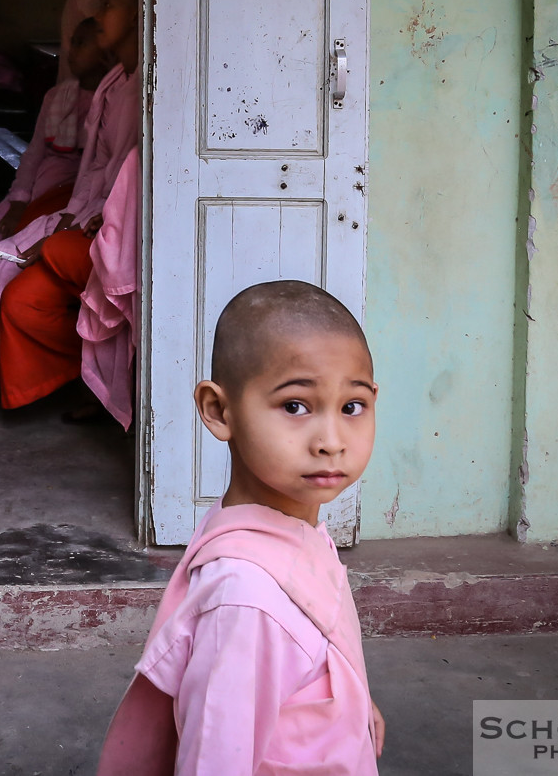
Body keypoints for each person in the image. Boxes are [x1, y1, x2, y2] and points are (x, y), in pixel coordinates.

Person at [95, 281, 387, 775]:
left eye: (351, 406)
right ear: (218, 410)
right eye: (296, 406)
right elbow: (215, 759)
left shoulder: (289, 530)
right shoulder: (245, 597)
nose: (331, 441)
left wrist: (351, 703)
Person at [0, 0, 141, 408]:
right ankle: (77, 377)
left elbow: (129, 179)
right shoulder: (111, 84)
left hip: (119, 225)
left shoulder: (148, 87)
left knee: (44, 257)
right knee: (10, 284)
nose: (97, 15)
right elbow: (93, 168)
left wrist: (87, 223)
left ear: (137, 16)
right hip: (85, 209)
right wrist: (71, 214)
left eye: (109, 5)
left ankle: (106, 386)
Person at [0, 18, 113, 283]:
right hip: (34, 189)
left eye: (81, 44)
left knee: (11, 259)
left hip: (71, 197)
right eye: (71, 42)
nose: (71, 51)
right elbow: (33, 156)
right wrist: (18, 202)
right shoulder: (56, 96)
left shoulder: (111, 101)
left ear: (105, 54)